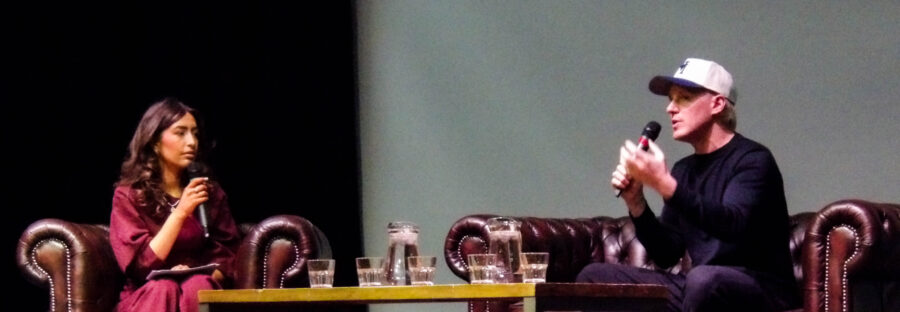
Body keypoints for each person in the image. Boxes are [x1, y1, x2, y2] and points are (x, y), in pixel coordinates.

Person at [576, 58, 801, 311]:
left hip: (761, 289)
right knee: (593, 277)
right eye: (670, 100)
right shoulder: (684, 170)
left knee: (704, 278)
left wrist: (666, 185)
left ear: (717, 104)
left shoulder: (753, 160)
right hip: (699, 288)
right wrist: (636, 202)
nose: (670, 109)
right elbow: (667, 254)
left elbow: (733, 224)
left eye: (683, 98)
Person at [110, 98, 241, 312]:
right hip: (148, 294)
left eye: (195, 133)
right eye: (180, 133)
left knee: (197, 287)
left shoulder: (210, 193)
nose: (192, 142)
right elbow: (140, 265)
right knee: (164, 287)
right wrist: (181, 212)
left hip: (198, 287)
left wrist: (193, 273)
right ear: (154, 141)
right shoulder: (128, 195)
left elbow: (228, 259)